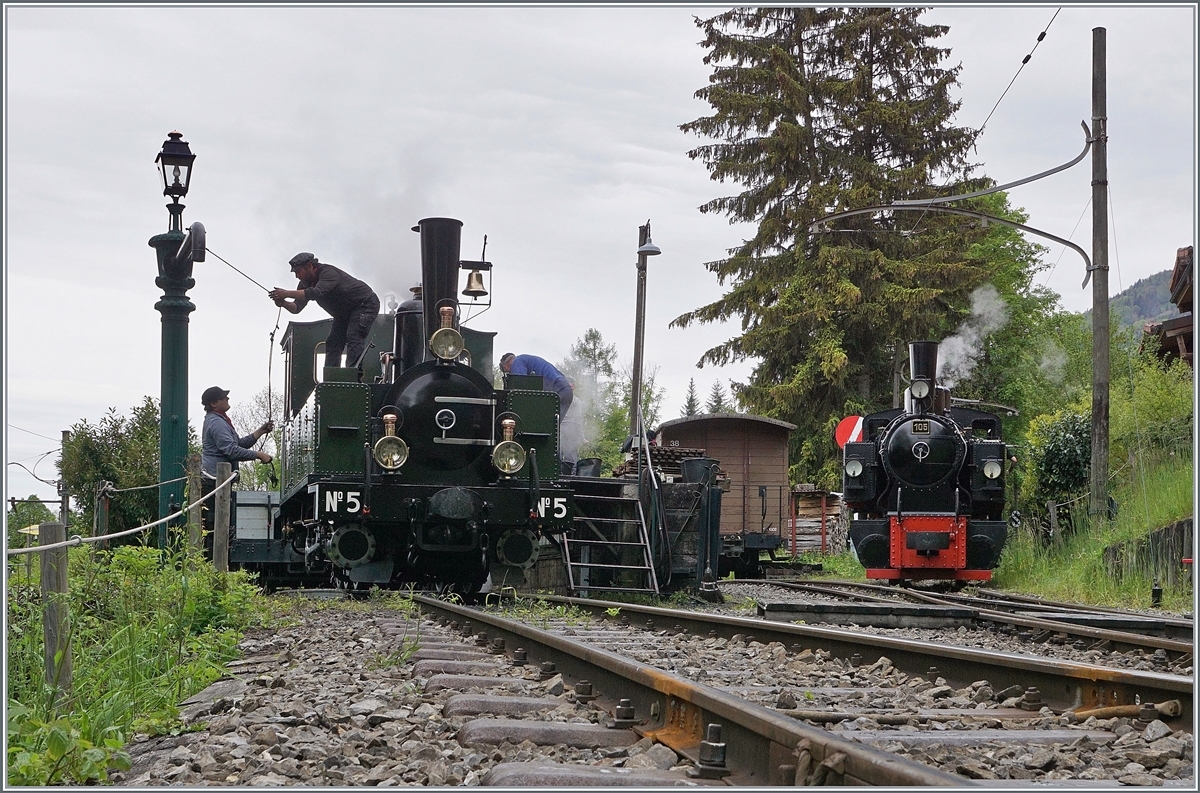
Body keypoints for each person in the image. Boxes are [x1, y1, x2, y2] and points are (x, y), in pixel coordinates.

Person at [268, 252, 380, 374]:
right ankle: (331, 377)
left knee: (354, 337)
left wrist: (286, 293)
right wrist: (283, 303)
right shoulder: (304, 284)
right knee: (333, 342)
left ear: (310, 267)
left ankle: (352, 377)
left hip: (364, 305)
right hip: (343, 314)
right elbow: (296, 308)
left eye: (298, 271)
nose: (296, 276)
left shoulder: (328, 273)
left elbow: (317, 292)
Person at [200, 386, 274, 557]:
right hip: (213, 482)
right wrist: (258, 455)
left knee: (221, 524)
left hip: (219, 482)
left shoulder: (221, 420)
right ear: (214, 403)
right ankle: (213, 562)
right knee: (215, 526)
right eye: (224, 398)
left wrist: (260, 432)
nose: (227, 400)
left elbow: (238, 444)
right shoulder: (216, 422)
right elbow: (231, 450)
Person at [499, 353, 574, 416]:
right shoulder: (527, 360)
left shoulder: (517, 362)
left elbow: (519, 388)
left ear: (505, 366)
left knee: (545, 424)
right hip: (566, 391)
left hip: (558, 391)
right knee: (553, 426)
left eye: (508, 372)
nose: (510, 372)